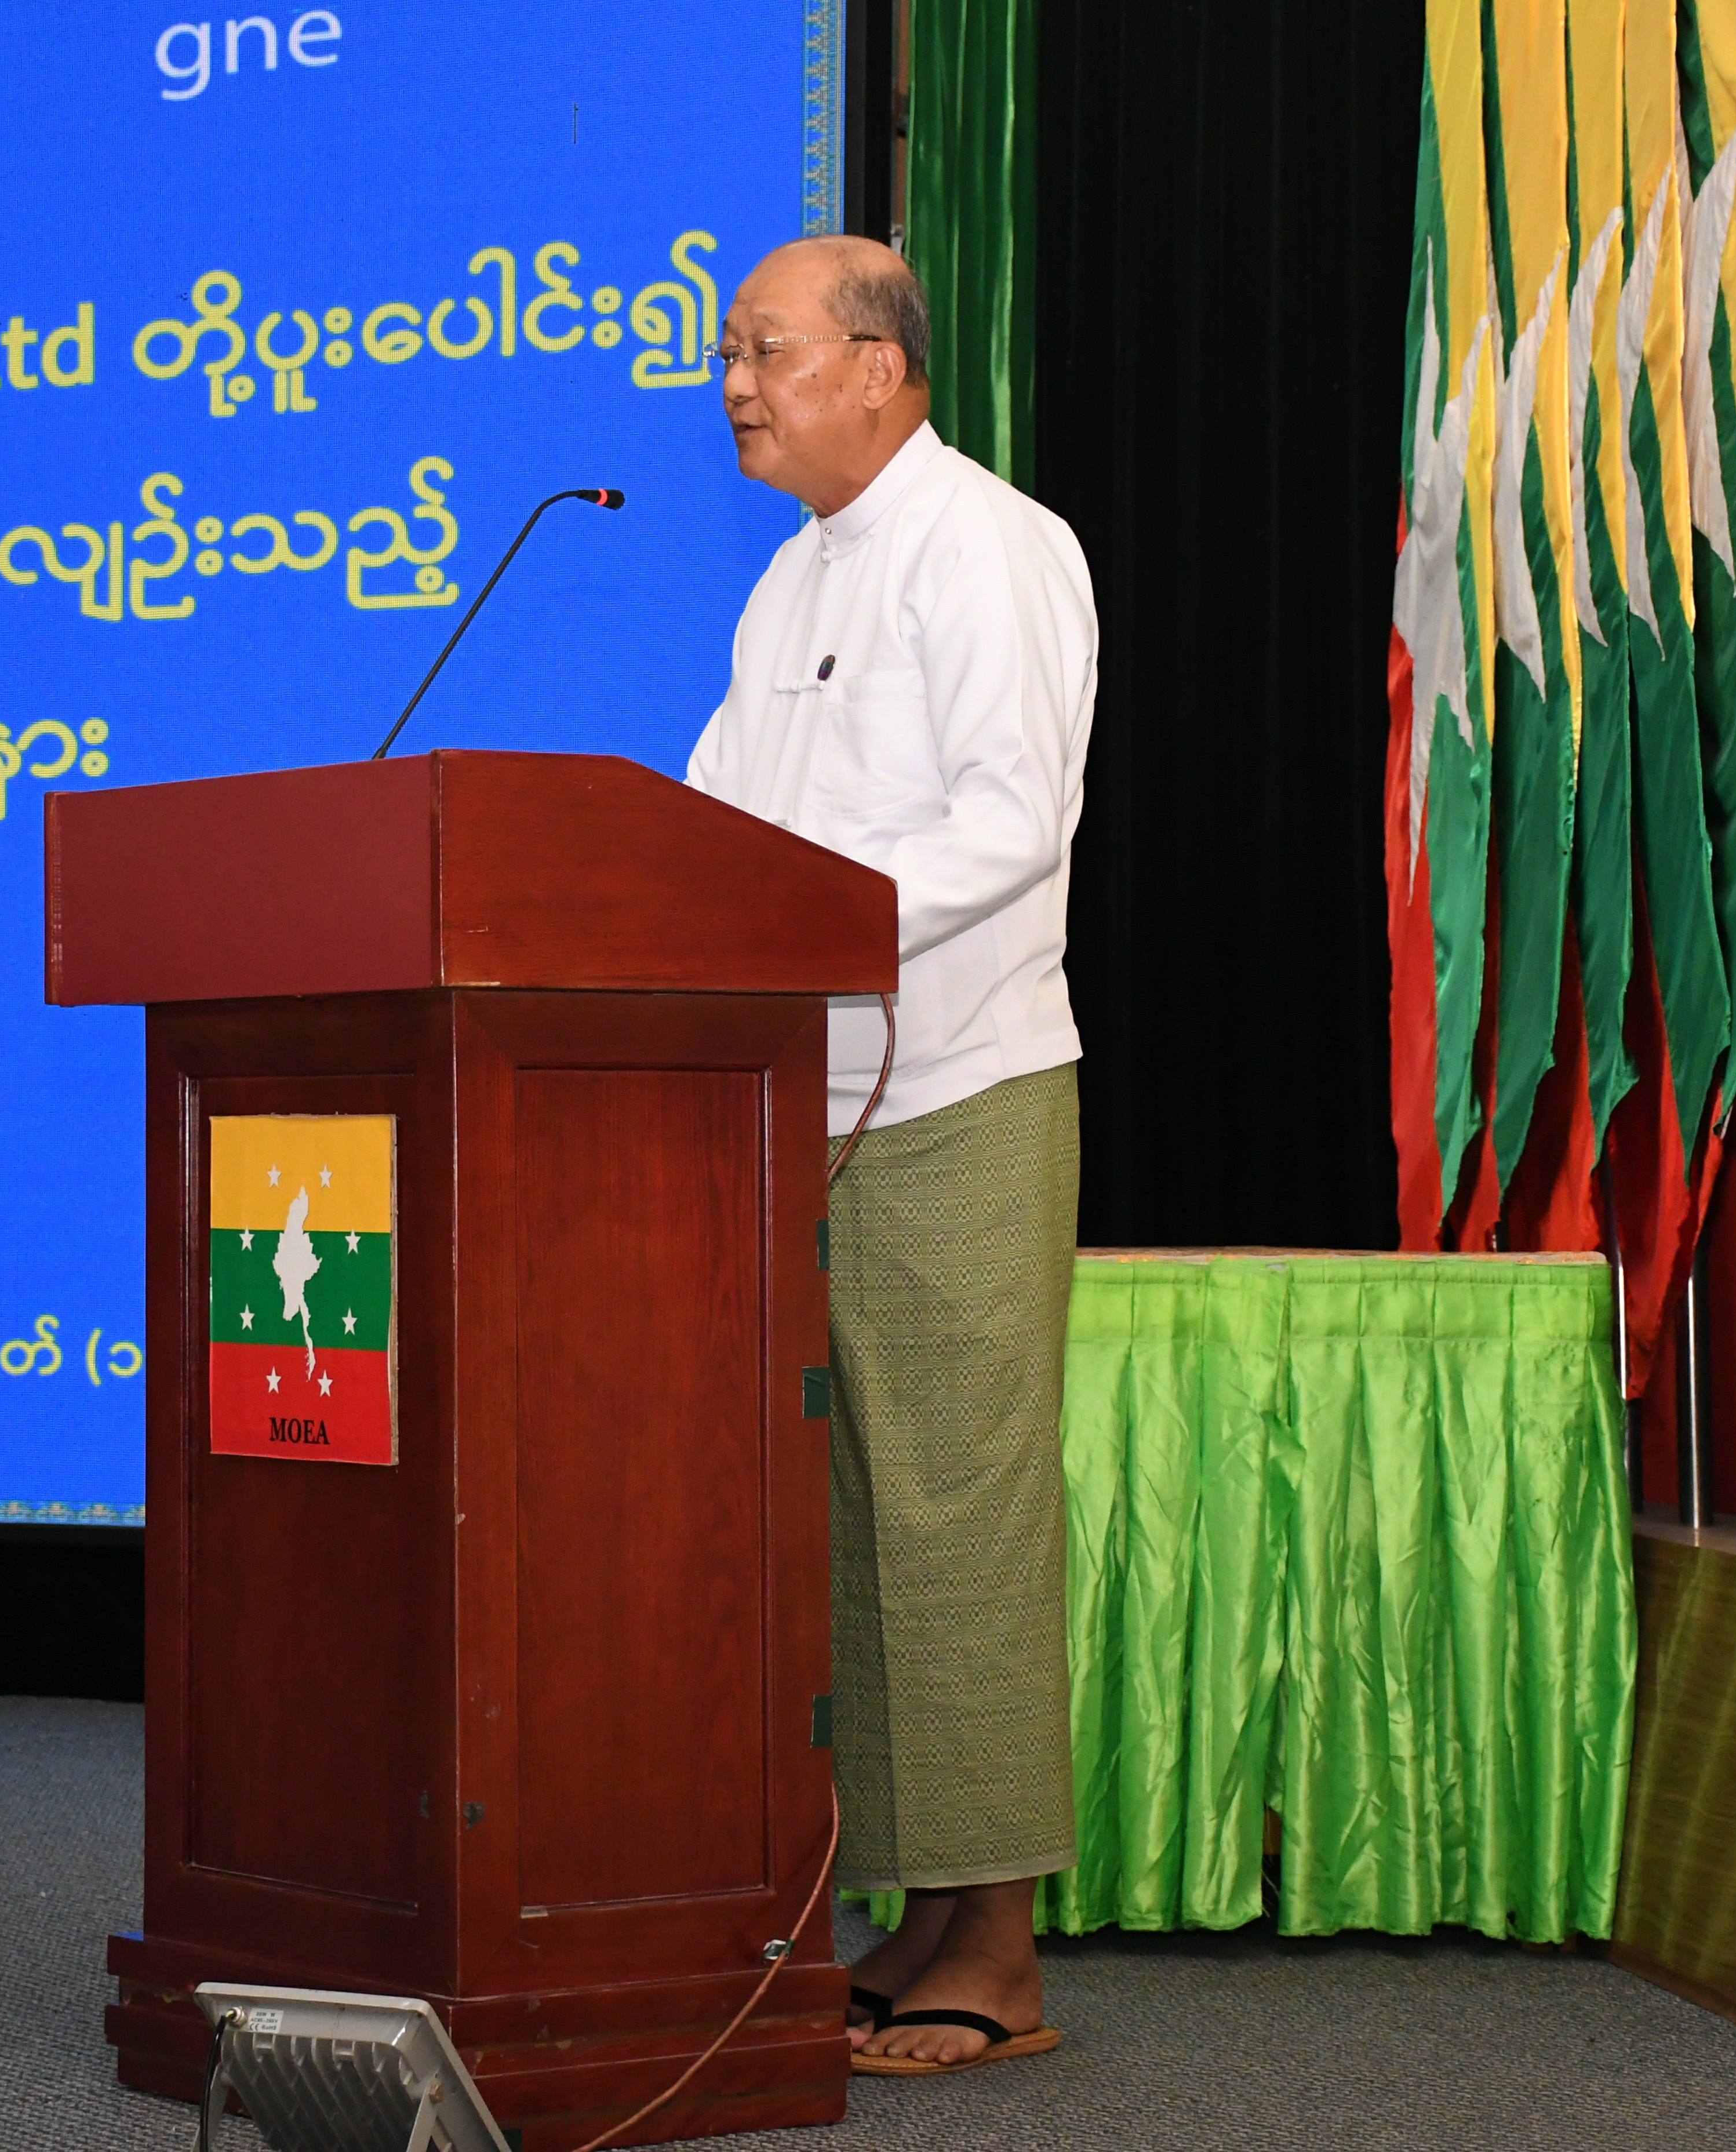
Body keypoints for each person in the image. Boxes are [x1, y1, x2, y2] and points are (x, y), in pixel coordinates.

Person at [683, 235, 1096, 2074]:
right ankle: (919, 1908)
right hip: (806, 1101)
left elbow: (1016, 818)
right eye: (728, 355)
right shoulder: (790, 583)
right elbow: (700, 824)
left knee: (958, 1513)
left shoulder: (988, 542)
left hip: (955, 1094)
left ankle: (997, 1955)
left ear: (881, 365)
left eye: (765, 349)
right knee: (854, 1525)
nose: (737, 383)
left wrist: (790, 930)